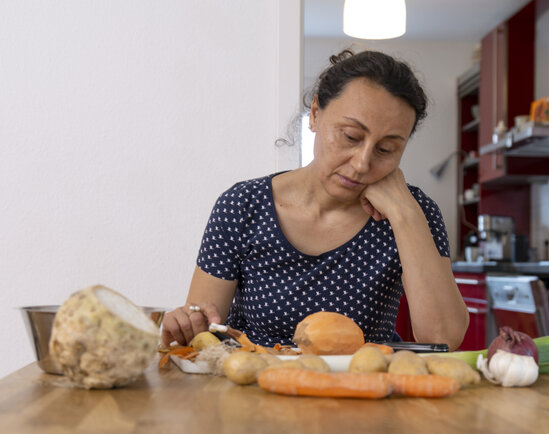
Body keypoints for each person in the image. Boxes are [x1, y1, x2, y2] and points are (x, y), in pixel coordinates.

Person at [161, 50, 469, 350]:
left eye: (386, 149)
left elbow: (443, 338)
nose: (362, 163)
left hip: (368, 391)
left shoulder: (415, 213)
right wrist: (186, 323)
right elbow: (203, 333)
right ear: (315, 113)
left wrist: (404, 214)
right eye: (350, 136)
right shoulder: (243, 206)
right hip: (256, 390)